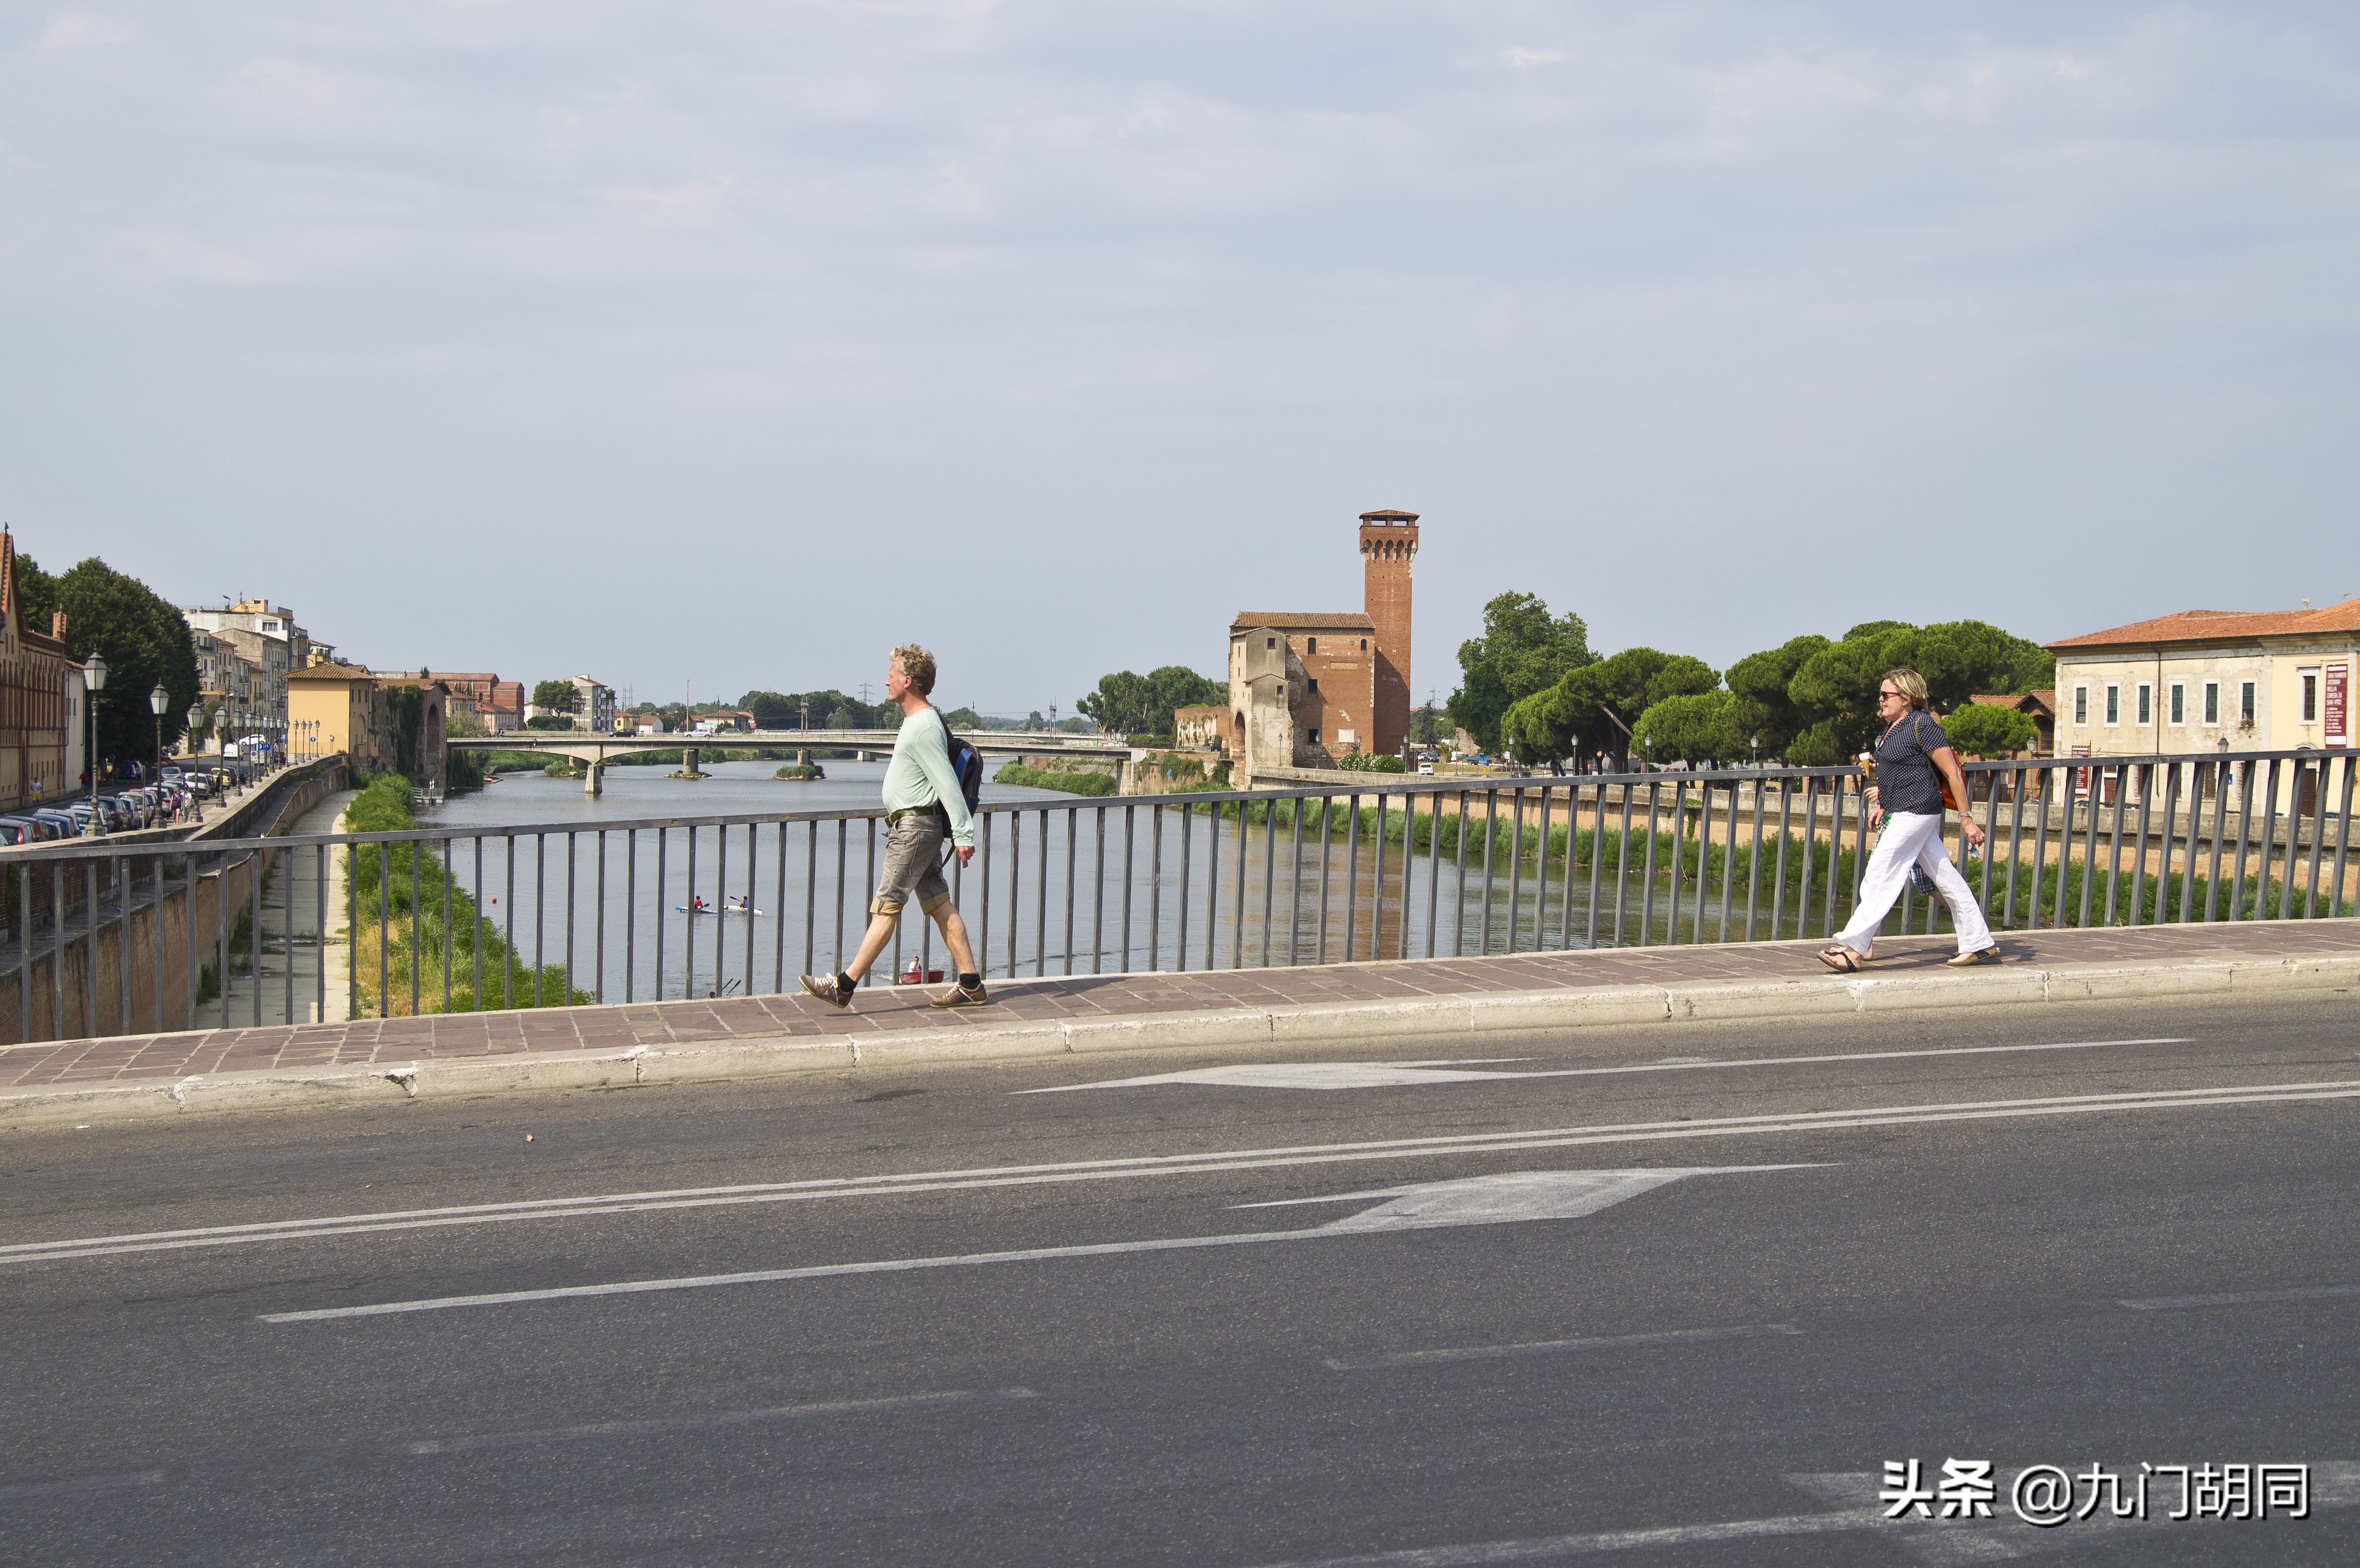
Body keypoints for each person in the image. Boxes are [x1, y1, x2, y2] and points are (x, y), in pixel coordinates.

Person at [800, 644, 987, 1009]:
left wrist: (964, 835)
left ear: (909, 681)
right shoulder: (917, 723)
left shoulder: (923, 728)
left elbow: (947, 784)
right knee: (938, 904)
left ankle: (844, 985)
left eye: (892, 673)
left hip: (915, 829)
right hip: (917, 826)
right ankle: (970, 983)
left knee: (886, 905)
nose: (886, 679)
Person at [1820, 668, 2000, 971]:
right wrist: (1884, 805)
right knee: (1944, 876)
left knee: (1881, 871)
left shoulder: (1922, 724)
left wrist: (1967, 819)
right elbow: (1895, 774)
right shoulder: (1891, 729)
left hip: (1917, 810)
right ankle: (1979, 942)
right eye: (1881, 694)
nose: (1881, 699)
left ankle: (1853, 949)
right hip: (1901, 809)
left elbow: (1952, 773)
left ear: (1906, 697)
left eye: (1886, 694)